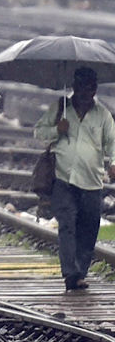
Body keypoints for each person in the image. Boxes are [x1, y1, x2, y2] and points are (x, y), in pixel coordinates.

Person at [33, 67, 115, 291]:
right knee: (67, 227)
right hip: (64, 179)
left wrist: (114, 162)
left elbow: (112, 142)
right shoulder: (61, 108)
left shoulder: (103, 115)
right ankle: (71, 273)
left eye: (91, 86)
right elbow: (39, 132)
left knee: (88, 229)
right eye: (82, 86)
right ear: (74, 87)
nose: (86, 91)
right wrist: (57, 130)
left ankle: (80, 271)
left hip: (92, 182)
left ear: (95, 88)